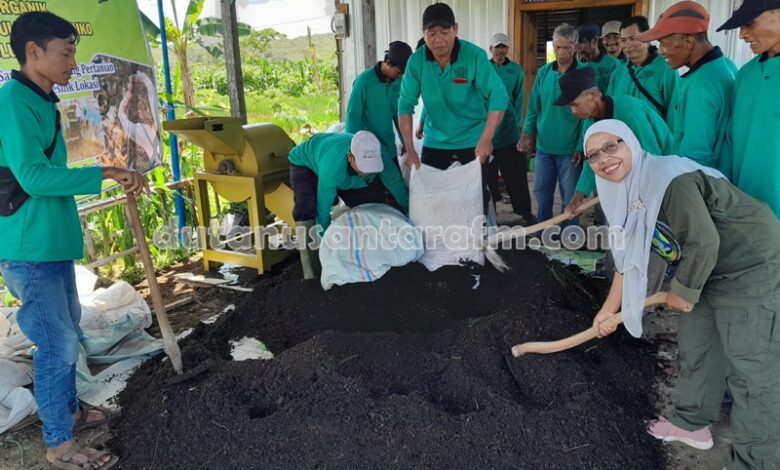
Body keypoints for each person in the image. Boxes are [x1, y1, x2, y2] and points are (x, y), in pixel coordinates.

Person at [0, 11, 150, 470]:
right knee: (57, 343)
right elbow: (34, 175)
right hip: (29, 247)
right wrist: (106, 171)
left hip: (51, 242)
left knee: (68, 336)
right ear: (34, 51)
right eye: (65, 53)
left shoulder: (43, 99)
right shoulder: (12, 102)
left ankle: (69, 411)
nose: (71, 61)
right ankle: (59, 445)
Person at [587, 119, 780, 470]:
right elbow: (626, 262)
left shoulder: (668, 179)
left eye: (611, 146)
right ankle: (692, 423)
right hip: (705, 265)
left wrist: (683, 292)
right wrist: (606, 312)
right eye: (593, 155)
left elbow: (705, 241)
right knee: (698, 344)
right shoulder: (623, 193)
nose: (604, 158)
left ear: (630, 143)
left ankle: (756, 462)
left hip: (749, 262)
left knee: (752, 367)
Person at [397, 2, 508, 209]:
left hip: (471, 137)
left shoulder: (473, 56)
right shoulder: (416, 62)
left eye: (445, 32)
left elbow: (498, 96)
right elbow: (404, 106)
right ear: (424, 34)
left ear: (455, 29)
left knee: (476, 196)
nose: (438, 39)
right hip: (436, 139)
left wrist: (486, 138)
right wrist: (410, 150)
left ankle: (479, 236)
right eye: (432, 33)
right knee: (429, 195)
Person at [288, 131, 409, 278]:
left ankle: (364, 252)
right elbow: (323, 208)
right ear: (351, 157)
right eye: (364, 167)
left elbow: (395, 183)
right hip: (305, 162)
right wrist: (327, 242)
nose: (368, 172)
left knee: (370, 197)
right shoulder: (332, 169)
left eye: (372, 167)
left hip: (336, 165)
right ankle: (312, 272)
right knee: (306, 207)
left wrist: (408, 209)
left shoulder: (380, 155)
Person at [555, 67, 672, 213]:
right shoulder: (590, 122)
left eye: (575, 104)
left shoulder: (629, 111)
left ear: (592, 95)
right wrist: (579, 196)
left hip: (663, 174)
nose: (573, 111)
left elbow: (651, 154)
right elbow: (592, 159)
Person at [636, 1, 736, 169]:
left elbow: (695, 158)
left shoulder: (701, 87)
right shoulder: (725, 65)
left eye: (663, 43)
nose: (660, 51)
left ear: (688, 42)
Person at [717, 0, 780, 218]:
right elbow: (730, 139)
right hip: (746, 206)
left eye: (750, 23)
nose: (742, 34)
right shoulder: (745, 75)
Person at [519, 23, 583, 225]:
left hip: (569, 150)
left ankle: (570, 236)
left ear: (575, 46)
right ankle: (543, 231)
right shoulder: (544, 73)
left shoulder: (584, 75)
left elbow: (589, 115)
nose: (560, 52)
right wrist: (528, 133)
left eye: (565, 47)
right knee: (541, 193)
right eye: (557, 47)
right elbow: (533, 108)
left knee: (570, 198)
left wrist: (581, 145)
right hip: (544, 149)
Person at [484, 32, 535, 225]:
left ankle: (524, 211)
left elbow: (519, 98)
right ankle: (489, 215)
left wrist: (520, 128)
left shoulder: (515, 70)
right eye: (497, 47)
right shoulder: (483, 68)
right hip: (487, 132)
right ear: (491, 49)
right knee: (486, 177)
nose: (500, 50)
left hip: (508, 132)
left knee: (516, 175)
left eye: (504, 47)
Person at [345, 41, 412, 161]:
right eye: (398, 72)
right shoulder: (363, 82)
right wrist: (353, 149)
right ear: (387, 62)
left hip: (388, 149)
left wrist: (406, 143)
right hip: (367, 150)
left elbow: (398, 114)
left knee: (396, 179)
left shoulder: (398, 82)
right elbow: (352, 115)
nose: (400, 75)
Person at [607, 16, 679, 119]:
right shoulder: (618, 72)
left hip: (654, 133)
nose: (627, 44)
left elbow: (675, 110)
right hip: (623, 134)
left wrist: (669, 135)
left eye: (633, 38)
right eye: (623, 40)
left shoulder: (666, 68)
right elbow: (610, 107)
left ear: (648, 37)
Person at [577, 23, 620, 93]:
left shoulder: (614, 64)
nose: (578, 47)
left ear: (594, 41)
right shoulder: (577, 65)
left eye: (581, 42)